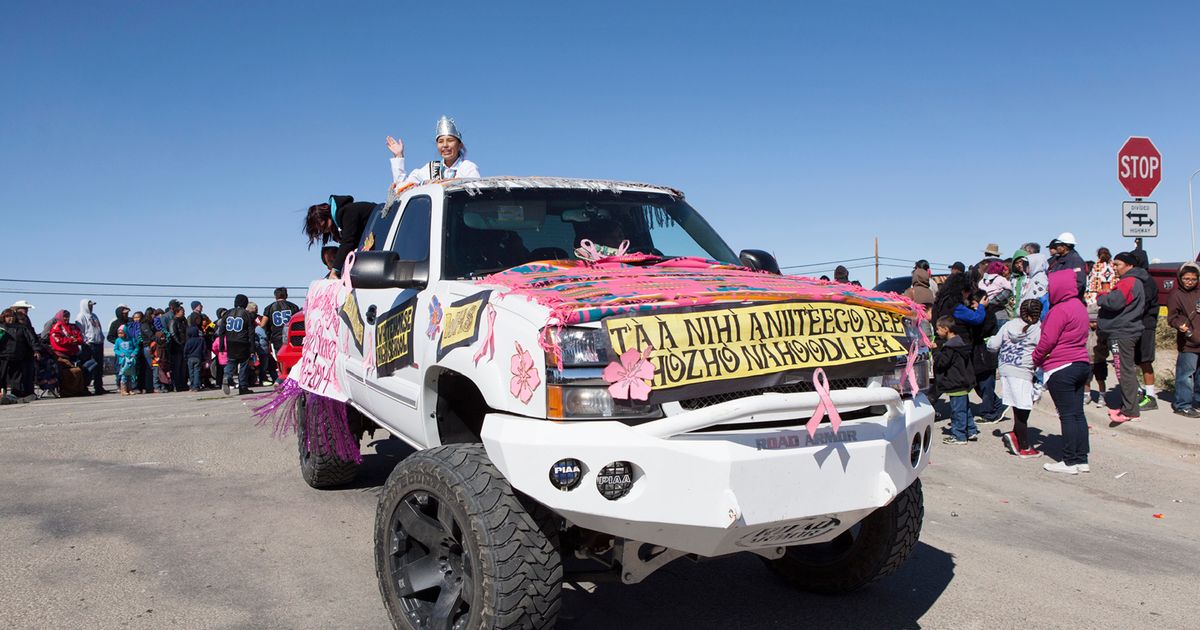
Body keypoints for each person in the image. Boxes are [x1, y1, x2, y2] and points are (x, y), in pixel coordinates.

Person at [1031, 270, 1091, 474]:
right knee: (1078, 414)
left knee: (1067, 416)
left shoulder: (1059, 310)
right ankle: (1081, 459)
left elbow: (1047, 340)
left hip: (1061, 366)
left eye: (1050, 287)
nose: (1048, 290)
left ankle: (1069, 461)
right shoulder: (1080, 307)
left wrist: (1036, 359)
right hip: (1081, 364)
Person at [988, 299, 1044, 458]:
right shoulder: (1038, 329)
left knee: (1018, 407)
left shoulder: (1008, 325)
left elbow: (993, 345)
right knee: (1023, 411)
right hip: (1023, 372)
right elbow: (1042, 350)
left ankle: (1015, 435)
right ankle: (1024, 447)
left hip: (1006, 369)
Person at [1098, 252, 1146, 424]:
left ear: (1129, 265)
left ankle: (1130, 411)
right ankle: (1129, 406)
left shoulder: (1128, 281)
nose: (1115, 268)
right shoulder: (1134, 281)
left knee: (1123, 371)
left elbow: (1114, 302)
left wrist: (1102, 296)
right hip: (1125, 331)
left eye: (1118, 264)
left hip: (1122, 332)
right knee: (1125, 370)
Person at [386, 115, 480, 186]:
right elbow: (402, 188)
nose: (445, 145)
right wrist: (399, 156)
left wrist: (433, 183)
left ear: (460, 145)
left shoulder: (468, 167)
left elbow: (476, 188)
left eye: (450, 140)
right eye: (440, 141)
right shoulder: (430, 169)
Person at [303, 195, 377, 279]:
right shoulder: (340, 227)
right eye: (321, 231)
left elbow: (348, 242)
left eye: (324, 226)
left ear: (327, 214)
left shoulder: (348, 212)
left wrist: (335, 270)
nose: (325, 231)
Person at [1127, 245, 1160, 411]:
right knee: (1133, 360)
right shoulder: (1137, 279)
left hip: (1145, 326)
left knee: (1145, 360)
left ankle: (1150, 396)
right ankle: (1140, 391)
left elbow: (1142, 304)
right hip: (1135, 325)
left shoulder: (1146, 280)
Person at [935, 316, 977, 444]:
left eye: (938, 329)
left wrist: (935, 350)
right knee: (965, 409)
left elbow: (941, 363)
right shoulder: (960, 343)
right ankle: (971, 430)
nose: (936, 332)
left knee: (957, 410)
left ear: (946, 329)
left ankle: (959, 435)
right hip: (963, 382)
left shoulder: (950, 348)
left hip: (955, 383)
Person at [1166, 262, 1200, 418]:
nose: (1190, 282)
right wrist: (1181, 325)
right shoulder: (1176, 295)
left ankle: (1198, 400)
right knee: (1186, 375)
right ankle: (1182, 405)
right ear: (1180, 278)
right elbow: (1172, 317)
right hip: (1188, 342)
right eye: (1186, 278)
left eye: (1193, 279)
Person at [219, 294, 256, 395]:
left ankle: (227, 376)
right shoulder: (247, 314)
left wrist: (221, 345)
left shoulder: (227, 313)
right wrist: (252, 349)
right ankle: (243, 387)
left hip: (230, 341)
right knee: (243, 365)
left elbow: (221, 331)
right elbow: (251, 333)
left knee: (231, 362)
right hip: (243, 342)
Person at [75, 299, 109, 395]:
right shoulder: (80, 316)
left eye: (92, 305)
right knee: (89, 366)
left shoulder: (94, 316)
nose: (91, 307)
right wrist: (85, 342)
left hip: (98, 343)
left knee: (99, 367)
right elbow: (80, 331)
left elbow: (98, 328)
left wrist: (101, 338)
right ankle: (85, 387)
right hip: (89, 345)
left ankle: (98, 387)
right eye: (89, 305)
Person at [262, 287, 299, 362]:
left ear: (275, 296)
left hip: (276, 338)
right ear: (286, 295)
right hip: (291, 338)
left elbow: (262, 324)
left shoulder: (269, 308)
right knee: (291, 360)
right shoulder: (294, 307)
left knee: (280, 360)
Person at [1047, 232, 1087, 297]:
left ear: (1064, 246)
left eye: (1058, 245)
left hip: (1068, 300)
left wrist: (1065, 295)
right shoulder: (1057, 259)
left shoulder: (1076, 260)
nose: (1056, 247)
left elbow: (1079, 283)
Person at [113, 326, 139, 395]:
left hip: (131, 359)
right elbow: (116, 349)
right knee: (124, 374)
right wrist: (119, 353)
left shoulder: (131, 339)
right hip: (123, 360)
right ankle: (123, 390)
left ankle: (130, 389)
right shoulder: (118, 340)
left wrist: (134, 353)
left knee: (130, 375)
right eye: (119, 333)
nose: (120, 335)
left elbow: (136, 347)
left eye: (122, 333)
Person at [184, 324, 205, 392]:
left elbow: (185, 350)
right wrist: (203, 357)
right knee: (197, 372)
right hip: (198, 358)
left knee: (191, 372)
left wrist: (185, 357)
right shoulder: (201, 340)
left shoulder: (188, 341)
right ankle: (196, 386)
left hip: (190, 358)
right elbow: (204, 349)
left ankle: (192, 386)